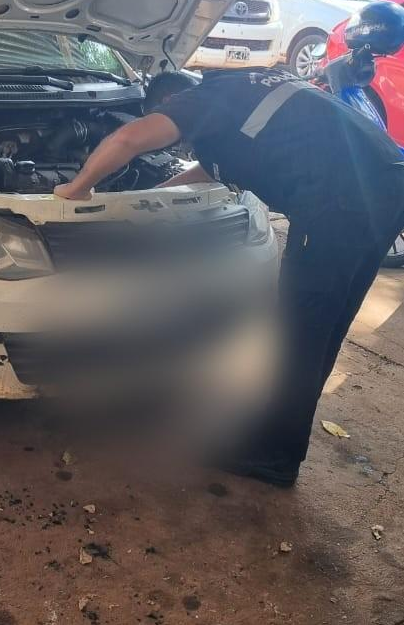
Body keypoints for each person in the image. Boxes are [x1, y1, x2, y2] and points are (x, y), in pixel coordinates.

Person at [54, 68, 404, 487]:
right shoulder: (241, 92)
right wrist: (155, 194)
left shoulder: (198, 99)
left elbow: (128, 139)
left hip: (339, 201)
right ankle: (281, 437)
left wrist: (76, 188)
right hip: (389, 182)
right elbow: (209, 169)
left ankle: (274, 455)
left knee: (302, 329)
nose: (177, 143)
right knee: (327, 324)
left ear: (168, 103)